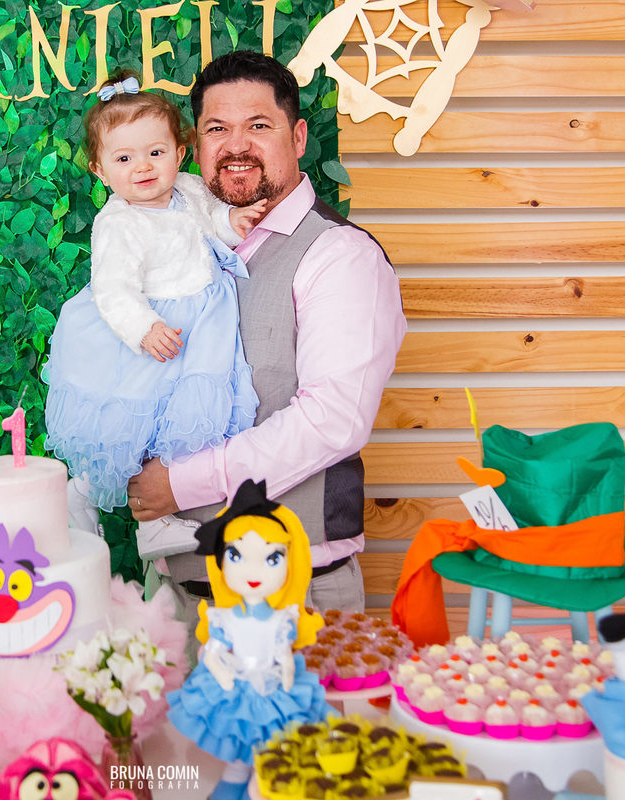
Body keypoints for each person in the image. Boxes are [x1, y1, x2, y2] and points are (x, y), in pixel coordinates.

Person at [127, 51, 407, 614]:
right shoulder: (182, 247)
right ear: (195, 148)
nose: (236, 146)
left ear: (298, 137)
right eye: (217, 129)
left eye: (258, 125)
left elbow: (332, 421)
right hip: (177, 588)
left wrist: (180, 485)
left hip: (293, 593)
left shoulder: (337, 255)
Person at [43, 72, 266, 560]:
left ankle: (156, 522)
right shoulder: (119, 222)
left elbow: (210, 222)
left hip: (200, 327)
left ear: (180, 154)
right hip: (154, 333)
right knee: (134, 425)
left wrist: (232, 222)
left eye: (155, 152)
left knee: (179, 425)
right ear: (100, 171)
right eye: (124, 159)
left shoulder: (189, 188)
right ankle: (84, 494)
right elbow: (113, 289)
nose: (142, 167)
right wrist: (144, 328)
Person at [167, 479, 333, 800]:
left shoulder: (283, 620)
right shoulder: (224, 619)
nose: (253, 571)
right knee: (239, 745)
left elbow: (283, 653)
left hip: (272, 688)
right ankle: (237, 778)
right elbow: (212, 652)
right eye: (236, 554)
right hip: (238, 687)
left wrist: (287, 674)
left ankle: (262, 782)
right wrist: (221, 674)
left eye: (272, 558)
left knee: (271, 748)